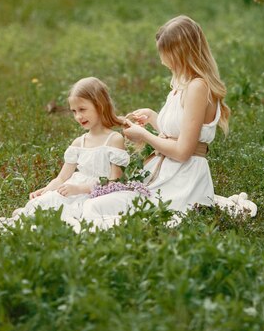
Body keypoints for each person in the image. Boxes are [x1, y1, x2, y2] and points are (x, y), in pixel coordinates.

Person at [80, 15, 230, 228]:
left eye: (165, 54)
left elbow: (183, 150)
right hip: (166, 175)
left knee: (101, 211)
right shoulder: (182, 85)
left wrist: (144, 136)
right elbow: (180, 132)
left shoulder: (197, 87)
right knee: (93, 206)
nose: (162, 61)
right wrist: (152, 117)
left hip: (183, 181)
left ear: (181, 53)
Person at [0, 77, 129, 237]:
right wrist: (45, 191)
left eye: (82, 109)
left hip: (95, 194)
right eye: (74, 111)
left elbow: (114, 182)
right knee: (44, 202)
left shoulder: (113, 139)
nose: (78, 116)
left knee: (66, 216)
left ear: (100, 105)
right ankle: (25, 216)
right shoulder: (79, 143)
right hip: (71, 189)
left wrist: (80, 189)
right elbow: (62, 177)